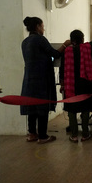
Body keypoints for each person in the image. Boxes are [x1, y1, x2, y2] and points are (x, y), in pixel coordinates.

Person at [21, 16, 71, 144]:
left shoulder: (25, 42)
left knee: (31, 106)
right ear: (37, 27)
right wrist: (65, 45)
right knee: (42, 106)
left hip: (29, 78)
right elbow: (55, 54)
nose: (43, 29)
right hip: (41, 78)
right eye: (42, 26)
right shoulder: (40, 39)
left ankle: (32, 133)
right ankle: (43, 136)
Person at [60, 30, 92, 143]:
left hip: (70, 84)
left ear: (71, 39)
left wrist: (62, 84)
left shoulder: (66, 51)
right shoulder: (87, 47)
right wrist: (87, 42)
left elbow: (62, 69)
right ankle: (85, 134)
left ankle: (73, 135)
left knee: (72, 110)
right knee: (85, 108)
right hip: (85, 83)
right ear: (82, 39)